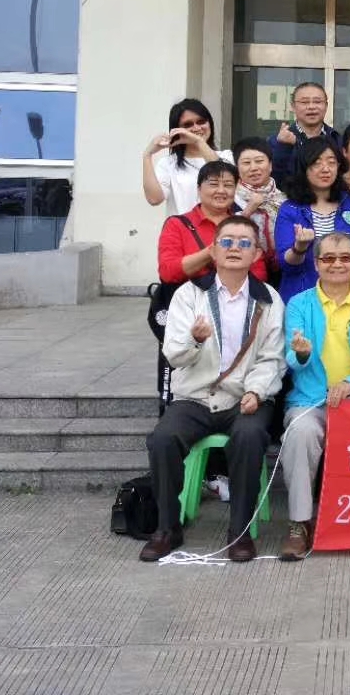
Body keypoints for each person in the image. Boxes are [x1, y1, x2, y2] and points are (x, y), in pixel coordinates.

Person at [139, 216, 283, 563]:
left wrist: (256, 391)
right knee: (162, 439)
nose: (235, 248)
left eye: (245, 243)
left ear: (256, 254)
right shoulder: (189, 294)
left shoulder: (269, 299)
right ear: (214, 250)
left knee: (250, 437)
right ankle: (167, 527)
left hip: (243, 397)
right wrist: (194, 339)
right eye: (227, 241)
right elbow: (174, 354)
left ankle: (240, 530)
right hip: (195, 397)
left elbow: (272, 358)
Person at [278, 233, 350, 561]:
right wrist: (302, 353)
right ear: (316, 264)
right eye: (328, 258)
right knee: (300, 432)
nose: (337, 264)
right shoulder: (299, 303)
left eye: (345, 258)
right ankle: (299, 524)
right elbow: (291, 358)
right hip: (310, 399)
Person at [155, 161, 270, 410]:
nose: (221, 190)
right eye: (213, 184)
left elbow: (258, 273)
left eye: (228, 185)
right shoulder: (178, 224)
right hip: (189, 312)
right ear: (199, 189)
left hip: (235, 310)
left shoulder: (242, 227)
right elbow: (169, 271)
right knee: (179, 378)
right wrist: (212, 252)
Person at [274, 137, 350, 302]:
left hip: (345, 298)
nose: (325, 169)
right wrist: (300, 247)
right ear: (304, 168)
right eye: (317, 163)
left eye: (331, 162)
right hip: (302, 298)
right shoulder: (290, 209)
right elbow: (285, 264)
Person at [142, 98, 231, 215]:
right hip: (182, 226)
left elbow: (223, 176)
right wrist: (147, 155)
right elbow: (154, 199)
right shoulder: (168, 163)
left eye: (201, 121)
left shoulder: (227, 156)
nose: (196, 128)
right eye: (188, 124)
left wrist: (198, 141)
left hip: (221, 226)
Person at [268, 81, 340, 186]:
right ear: (293, 106)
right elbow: (271, 180)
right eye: (304, 102)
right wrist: (284, 148)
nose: (311, 107)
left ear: (326, 105)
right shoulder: (277, 142)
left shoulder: (337, 139)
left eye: (317, 101)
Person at [232, 138, 284, 277]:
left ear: (270, 165)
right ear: (237, 168)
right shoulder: (230, 198)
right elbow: (224, 233)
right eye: (246, 163)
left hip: (282, 270)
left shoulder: (283, 199)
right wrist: (249, 209)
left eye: (259, 161)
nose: (253, 168)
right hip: (244, 270)